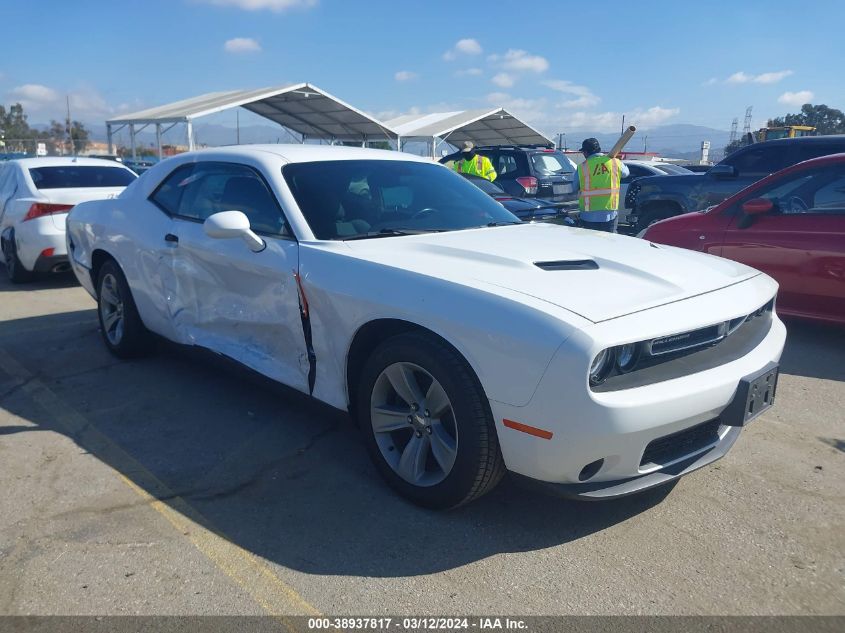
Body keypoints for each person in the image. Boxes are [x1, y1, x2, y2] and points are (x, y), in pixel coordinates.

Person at [571, 137, 629, 232]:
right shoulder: (614, 162)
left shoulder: (582, 167)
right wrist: (617, 161)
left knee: (591, 244)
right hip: (609, 213)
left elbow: (574, 188)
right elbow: (626, 173)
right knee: (608, 243)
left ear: (585, 152)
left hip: (588, 214)